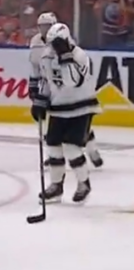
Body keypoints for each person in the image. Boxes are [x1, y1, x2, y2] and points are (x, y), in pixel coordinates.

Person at [31, 23, 101, 204]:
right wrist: (40, 101)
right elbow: (46, 81)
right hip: (59, 107)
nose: (52, 46)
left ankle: (83, 183)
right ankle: (56, 186)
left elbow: (73, 81)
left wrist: (65, 57)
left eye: (56, 43)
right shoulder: (47, 56)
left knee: (71, 146)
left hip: (82, 106)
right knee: (53, 144)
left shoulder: (80, 56)